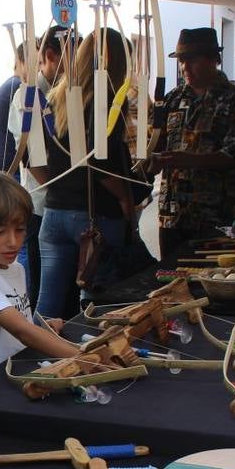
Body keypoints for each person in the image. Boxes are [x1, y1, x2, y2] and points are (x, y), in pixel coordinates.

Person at [31, 28, 136, 318]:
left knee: (47, 305)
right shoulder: (106, 101)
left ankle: (38, 359)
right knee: (98, 303)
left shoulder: (58, 96)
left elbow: (36, 156)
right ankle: (96, 359)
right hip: (95, 214)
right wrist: (126, 200)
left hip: (55, 212)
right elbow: (101, 164)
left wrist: (57, 187)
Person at [0, 171, 80, 386]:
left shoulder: (17, 269)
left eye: (20, 230)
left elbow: (20, 323)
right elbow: (22, 331)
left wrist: (43, 328)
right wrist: (85, 356)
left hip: (15, 372)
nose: (13, 241)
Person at [152, 27, 235, 257]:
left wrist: (184, 160)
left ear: (213, 59)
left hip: (214, 218)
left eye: (191, 60)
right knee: (170, 284)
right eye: (181, 61)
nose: (184, 67)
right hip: (172, 216)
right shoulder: (173, 98)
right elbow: (156, 143)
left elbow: (231, 156)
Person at [7, 25, 69, 311]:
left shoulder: (66, 91)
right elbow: (31, 158)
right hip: (41, 205)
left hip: (60, 204)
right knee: (40, 290)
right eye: (73, 54)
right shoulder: (28, 95)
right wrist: (61, 190)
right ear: (51, 56)